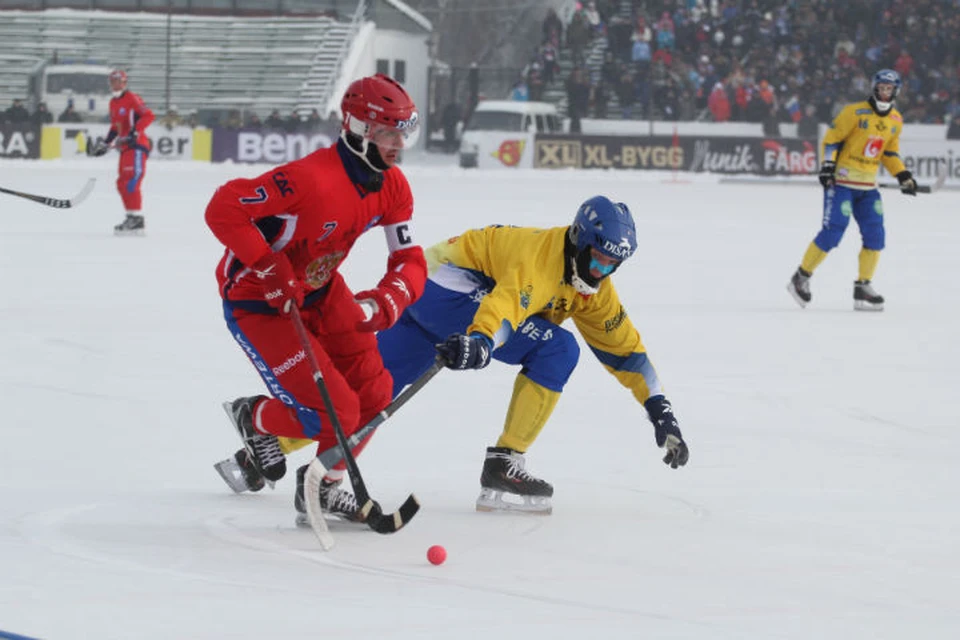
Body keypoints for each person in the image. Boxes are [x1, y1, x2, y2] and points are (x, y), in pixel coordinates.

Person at [218, 196, 690, 515]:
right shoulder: (541, 260)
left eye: (614, 263)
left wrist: (660, 411)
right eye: (599, 258)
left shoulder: (595, 288)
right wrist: (483, 342)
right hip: (448, 291)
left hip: (424, 296)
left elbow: (625, 350)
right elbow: (504, 307)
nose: (604, 270)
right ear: (580, 242)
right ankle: (505, 462)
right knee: (559, 347)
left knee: (367, 397)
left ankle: (259, 446)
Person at [207, 74, 425, 523]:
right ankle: (256, 418)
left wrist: (386, 301)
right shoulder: (309, 180)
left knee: (376, 391)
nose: (398, 144)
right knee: (338, 413)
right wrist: (269, 268)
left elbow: (409, 259)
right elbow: (224, 208)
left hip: (320, 290)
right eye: (388, 132)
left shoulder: (393, 186)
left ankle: (323, 488)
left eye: (403, 132)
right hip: (259, 302)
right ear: (358, 128)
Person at [787, 69, 917, 312]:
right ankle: (801, 277)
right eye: (881, 87)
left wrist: (903, 175)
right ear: (874, 87)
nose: (884, 92)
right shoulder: (854, 112)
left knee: (876, 236)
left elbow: (889, 153)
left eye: (889, 89)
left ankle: (863, 287)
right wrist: (827, 166)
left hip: (868, 188)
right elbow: (832, 139)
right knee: (833, 232)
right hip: (842, 184)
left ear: (896, 91)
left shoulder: (896, 120)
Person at [88, 69, 155, 236]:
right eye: (113, 81)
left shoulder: (132, 98)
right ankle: (131, 217)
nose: (116, 84)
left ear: (125, 83)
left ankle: (137, 219)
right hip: (124, 148)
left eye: (119, 81)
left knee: (132, 180)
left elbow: (148, 115)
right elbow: (115, 127)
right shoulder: (113, 103)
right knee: (122, 183)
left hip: (137, 146)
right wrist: (105, 143)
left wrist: (135, 132)